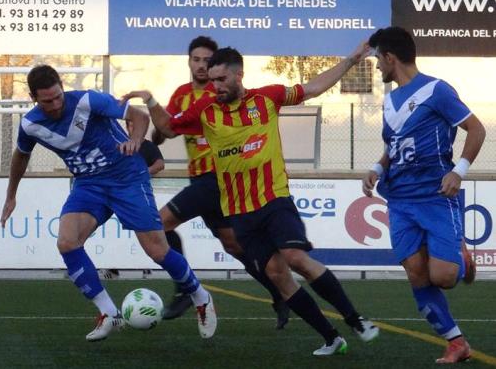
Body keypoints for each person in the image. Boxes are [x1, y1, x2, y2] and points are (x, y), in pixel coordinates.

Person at [130, 43, 380, 356]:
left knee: (295, 257)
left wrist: (351, 60)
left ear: (238, 76)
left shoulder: (267, 97)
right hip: (239, 212)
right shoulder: (205, 110)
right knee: (277, 275)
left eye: (221, 80)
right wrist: (150, 99)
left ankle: (355, 319)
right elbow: (166, 126)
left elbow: (314, 87)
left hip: (273, 199)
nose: (215, 87)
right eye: (212, 81)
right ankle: (331, 337)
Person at [0, 65, 217, 341]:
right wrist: (11, 195)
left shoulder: (88, 100)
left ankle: (201, 296)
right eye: (47, 101)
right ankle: (109, 314)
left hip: (126, 176)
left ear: (61, 89)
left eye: (58, 97)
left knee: (157, 250)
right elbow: (21, 155)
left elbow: (138, 116)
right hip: (89, 184)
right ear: (34, 98)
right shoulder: (31, 124)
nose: (55, 105)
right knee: (67, 242)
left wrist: (136, 140)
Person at [124, 36, 290, 329]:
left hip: (216, 178)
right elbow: (166, 128)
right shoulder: (182, 95)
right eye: (196, 60)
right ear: (189, 62)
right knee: (234, 247)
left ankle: (185, 289)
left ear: (217, 66)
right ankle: (279, 293)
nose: (201, 66)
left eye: (206, 61)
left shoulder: (221, 97)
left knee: (159, 223)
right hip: (203, 181)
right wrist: (157, 131)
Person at [362, 27, 485, 364]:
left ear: (390, 58)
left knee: (443, 278)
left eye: (377, 60)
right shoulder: (389, 100)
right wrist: (377, 166)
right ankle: (456, 342)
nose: (376, 67)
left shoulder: (436, 90)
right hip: (400, 199)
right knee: (416, 272)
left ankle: (460, 254)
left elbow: (477, 129)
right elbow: (393, 145)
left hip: (435, 195)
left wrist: (458, 171)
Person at [99, 134, 165, 280]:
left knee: (146, 233)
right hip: (115, 195)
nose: (130, 127)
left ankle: (145, 266)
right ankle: (113, 266)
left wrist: (142, 173)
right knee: (115, 234)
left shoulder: (148, 146)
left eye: (132, 123)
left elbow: (160, 164)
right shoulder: (118, 144)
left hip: (138, 196)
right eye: (128, 124)